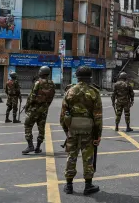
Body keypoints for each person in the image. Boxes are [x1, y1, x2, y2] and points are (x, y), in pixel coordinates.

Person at [60, 66, 102, 195]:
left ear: (77, 76)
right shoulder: (94, 92)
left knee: (71, 156)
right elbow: (98, 117)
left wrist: (67, 131)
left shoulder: (69, 91)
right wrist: (97, 135)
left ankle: (69, 186)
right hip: (88, 130)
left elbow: (63, 115)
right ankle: (88, 186)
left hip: (72, 129)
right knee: (88, 157)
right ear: (90, 77)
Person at [22, 66, 56, 154]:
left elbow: (32, 96)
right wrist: (46, 106)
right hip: (44, 110)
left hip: (34, 109)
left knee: (28, 126)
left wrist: (27, 106)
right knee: (41, 128)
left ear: (41, 72)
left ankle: (30, 146)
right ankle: (37, 147)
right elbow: (51, 97)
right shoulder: (52, 83)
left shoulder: (38, 83)